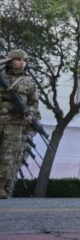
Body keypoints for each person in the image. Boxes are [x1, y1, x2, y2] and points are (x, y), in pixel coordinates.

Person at [0, 50, 39, 199]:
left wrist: (30, 114)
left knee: (8, 157)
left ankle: (1, 187)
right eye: (17, 59)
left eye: (24, 60)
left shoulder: (28, 82)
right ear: (10, 61)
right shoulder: (2, 76)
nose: (22, 62)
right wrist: (5, 60)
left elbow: (33, 103)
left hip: (14, 124)